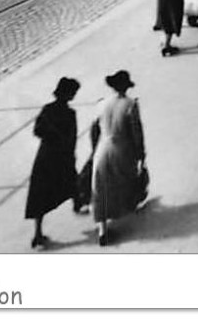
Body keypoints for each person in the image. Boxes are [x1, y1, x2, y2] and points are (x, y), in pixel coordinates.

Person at [89, 70, 146, 246]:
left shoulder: (102, 104)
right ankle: (126, 206)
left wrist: (94, 150)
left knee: (100, 188)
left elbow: (94, 130)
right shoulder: (130, 105)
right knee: (122, 180)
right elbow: (137, 132)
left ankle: (102, 230)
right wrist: (140, 153)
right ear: (126, 87)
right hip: (122, 149)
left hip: (102, 148)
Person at [24, 77, 81, 249]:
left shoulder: (47, 109)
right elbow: (72, 139)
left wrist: (51, 136)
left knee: (39, 194)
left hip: (45, 155)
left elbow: (37, 130)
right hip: (61, 155)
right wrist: (68, 151)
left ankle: (37, 233)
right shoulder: (71, 114)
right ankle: (77, 203)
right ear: (70, 95)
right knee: (71, 179)